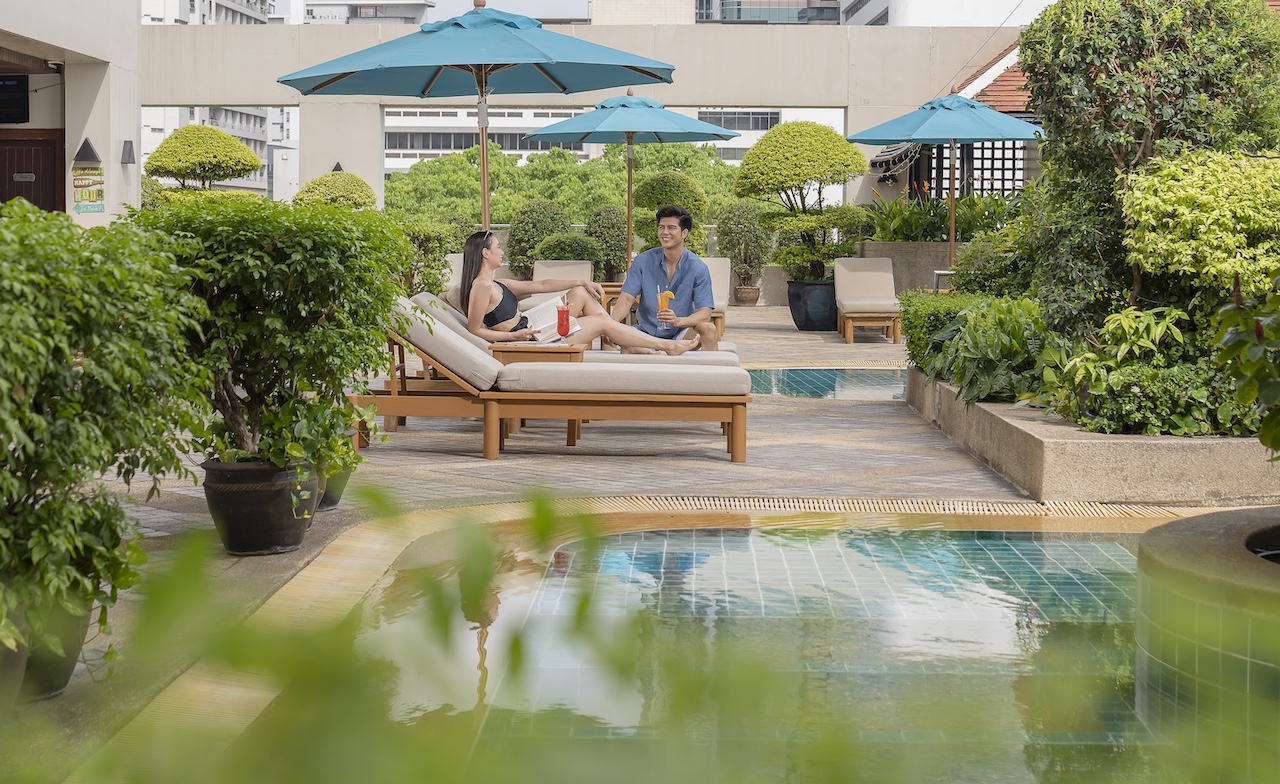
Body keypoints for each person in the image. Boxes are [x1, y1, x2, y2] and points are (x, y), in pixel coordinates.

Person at [459, 230, 699, 355]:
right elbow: (475, 329)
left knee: (581, 293)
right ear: (485, 253)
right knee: (601, 323)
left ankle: (624, 339)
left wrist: (582, 280)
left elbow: (541, 285)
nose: (502, 252)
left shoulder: (498, 283)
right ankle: (666, 346)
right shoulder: (481, 286)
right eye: (498, 248)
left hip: (532, 327)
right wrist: (513, 338)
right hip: (529, 340)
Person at [610, 204, 719, 352]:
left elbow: (704, 313)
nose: (664, 232)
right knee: (621, 338)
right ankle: (649, 351)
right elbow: (627, 298)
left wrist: (679, 321)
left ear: (684, 233)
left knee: (709, 329)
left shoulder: (698, 268)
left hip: (681, 333)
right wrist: (613, 324)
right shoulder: (642, 262)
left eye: (671, 228)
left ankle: (709, 374)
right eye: (661, 227)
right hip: (646, 334)